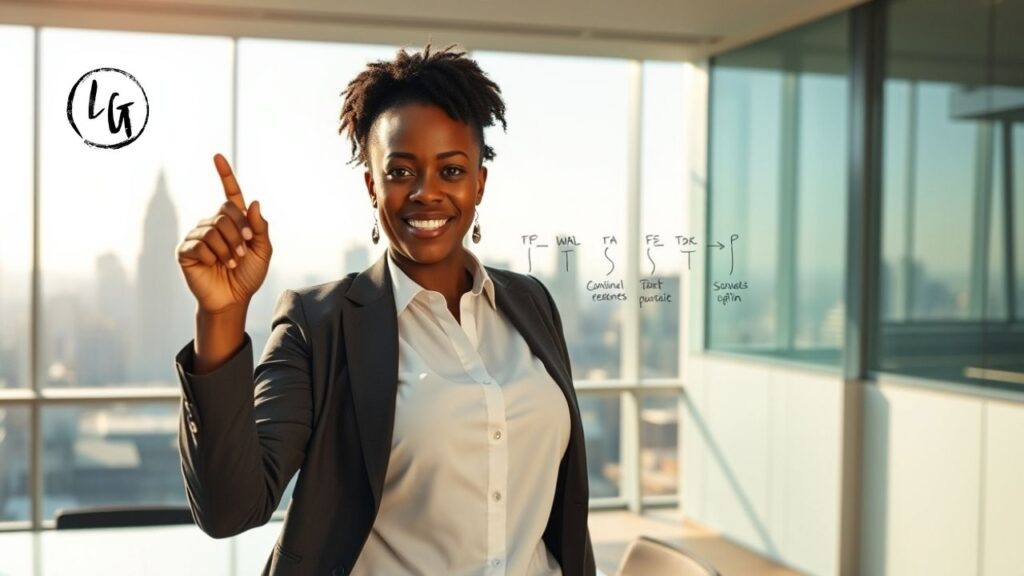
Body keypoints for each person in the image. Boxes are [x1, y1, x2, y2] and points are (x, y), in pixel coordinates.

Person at [174, 42, 596, 576]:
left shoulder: (531, 303)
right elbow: (230, 509)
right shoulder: (319, 324)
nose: (426, 192)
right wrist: (220, 316)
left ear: (479, 183)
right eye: (400, 172)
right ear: (372, 185)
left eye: (451, 170)